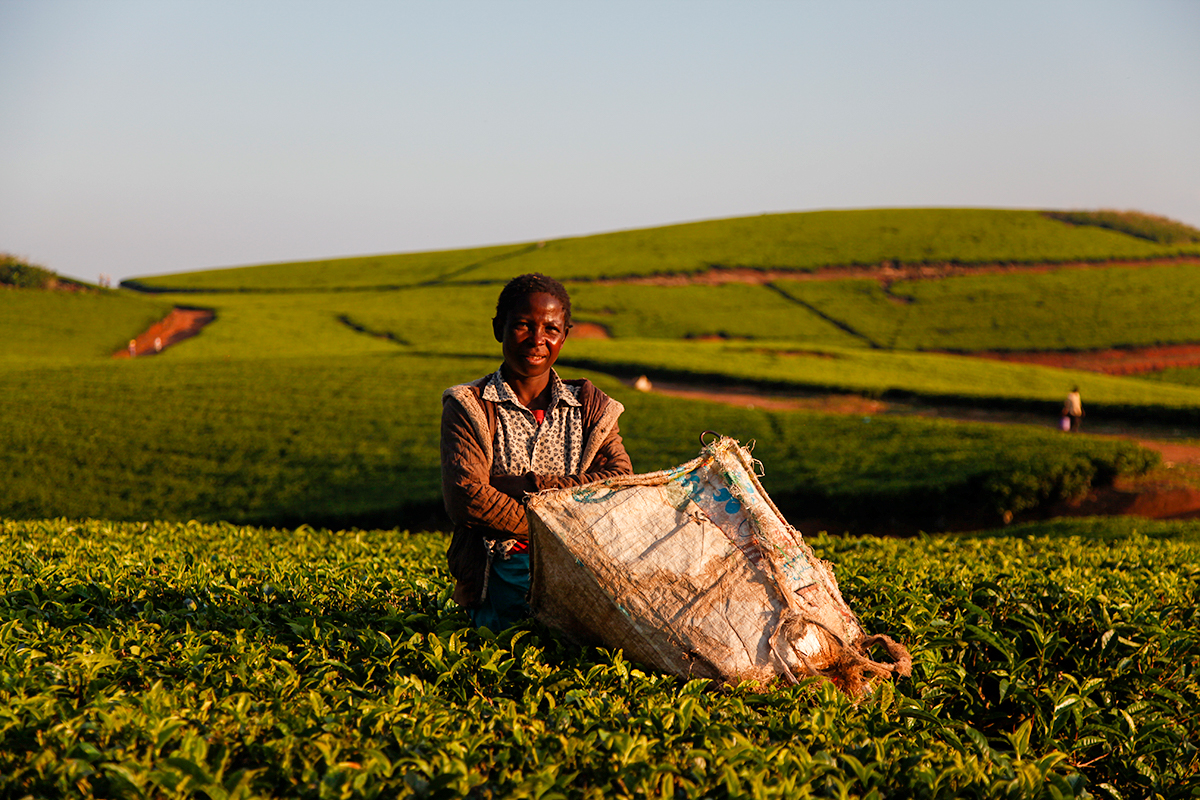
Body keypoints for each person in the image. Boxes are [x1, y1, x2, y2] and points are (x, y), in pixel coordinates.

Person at [441, 273, 633, 630]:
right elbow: (466, 497)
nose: (537, 340)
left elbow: (619, 483)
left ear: (565, 335)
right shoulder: (470, 405)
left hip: (582, 571)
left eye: (551, 329)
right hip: (497, 574)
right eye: (523, 326)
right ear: (499, 328)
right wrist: (554, 528)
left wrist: (525, 484)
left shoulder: (591, 407)